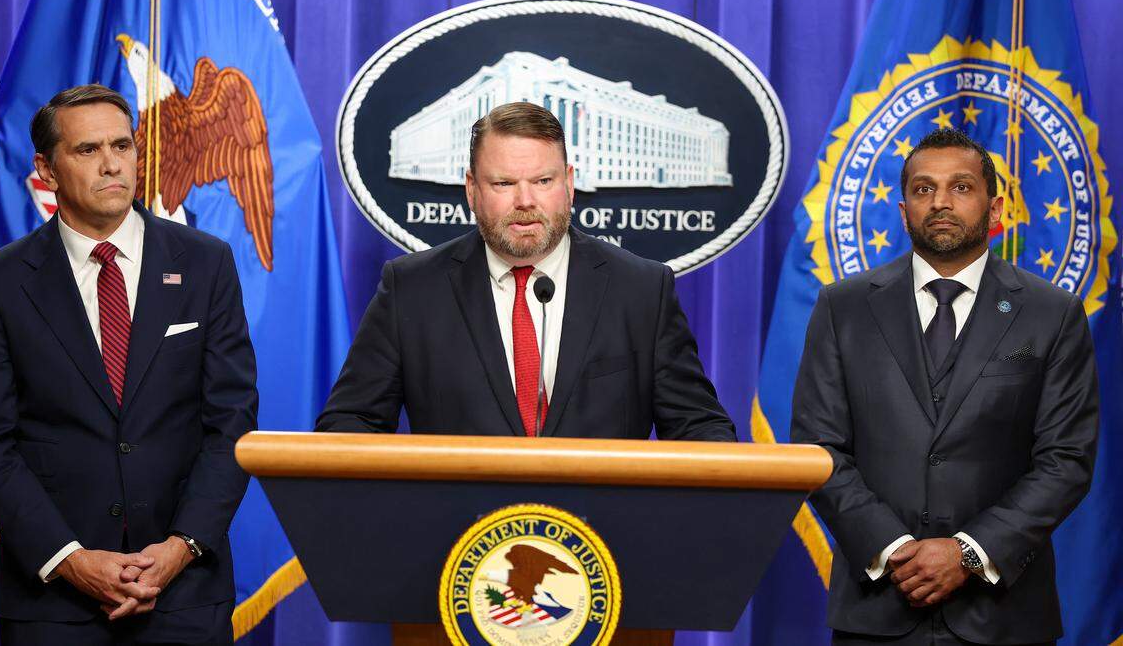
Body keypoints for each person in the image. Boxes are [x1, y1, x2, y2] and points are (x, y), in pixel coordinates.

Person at [0, 84, 258, 645]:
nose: (112, 164)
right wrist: (69, 559)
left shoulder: (206, 263)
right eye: (88, 150)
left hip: (184, 594)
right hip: (54, 605)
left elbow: (232, 424)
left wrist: (181, 547)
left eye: (122, 145)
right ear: (46, 170)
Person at [791, 127, 1098, 644]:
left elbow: (1066, 459)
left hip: (1004, 616)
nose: (940, 202)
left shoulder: (1053, 313)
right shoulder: (843, 308)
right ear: (903, 209)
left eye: (961, 187)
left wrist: (968, 553)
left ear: (994, 208)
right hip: (877, 609)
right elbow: (818, 448)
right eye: (923, 188)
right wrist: (895, 551)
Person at [318, 102, 733, 441]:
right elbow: (349, 424)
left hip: (601, 520)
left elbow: (699, 427)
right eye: (503, 183)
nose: (525, 201)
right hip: (460, 519)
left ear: (569, 184)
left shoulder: (641, 289)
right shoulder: (412, 290)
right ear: (471, 190)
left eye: (543, 181)